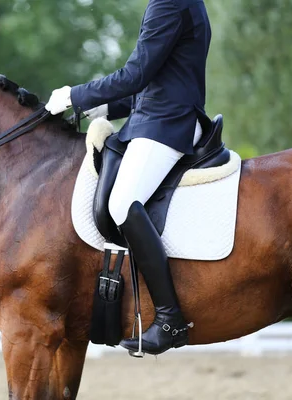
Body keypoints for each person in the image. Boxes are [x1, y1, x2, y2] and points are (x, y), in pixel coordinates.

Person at [45, 0, 211, 355]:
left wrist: (75, 95)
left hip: (168, 122)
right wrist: (102, 107)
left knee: (122, 203)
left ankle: (169, 319)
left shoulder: (170, 2)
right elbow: (155, 80)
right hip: (158, 114)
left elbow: (136, 73)